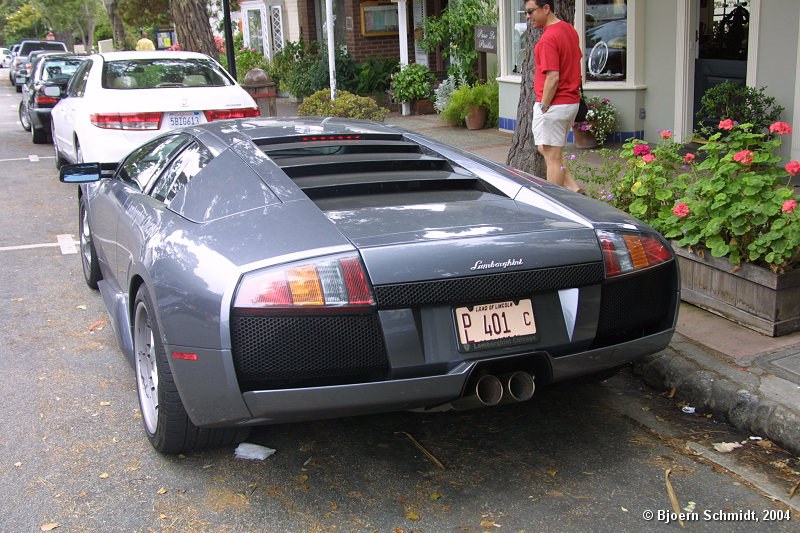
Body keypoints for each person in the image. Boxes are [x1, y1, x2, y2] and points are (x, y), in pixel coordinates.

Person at [526, 0, 584, 193]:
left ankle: (557, 204)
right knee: (548, 150)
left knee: (552, 158)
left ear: (546, 8)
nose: (528, 17)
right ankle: (574, 189)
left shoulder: (548, 39)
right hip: (570, 102)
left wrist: (544, 105)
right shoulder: (568, 30)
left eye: (531, 11)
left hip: (554, 104)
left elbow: (553, 77)